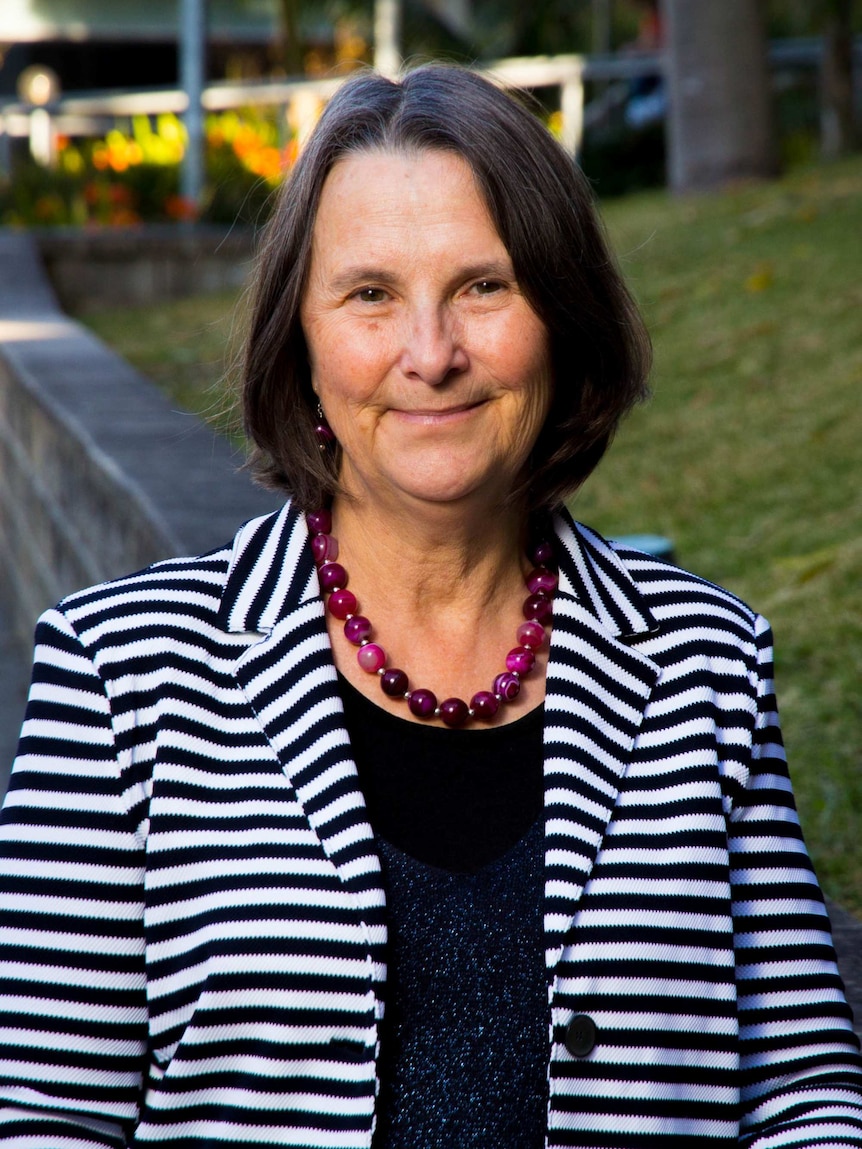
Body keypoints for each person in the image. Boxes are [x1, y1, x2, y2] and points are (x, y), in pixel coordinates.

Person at [0, 64, 860, 1149]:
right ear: (301, 345)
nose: (431, 354)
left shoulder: (705, 663)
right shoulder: (118, 676)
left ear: (561, 315)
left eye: (483, 287)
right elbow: (44, 1121)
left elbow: (801, 1094)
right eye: (369, 294)